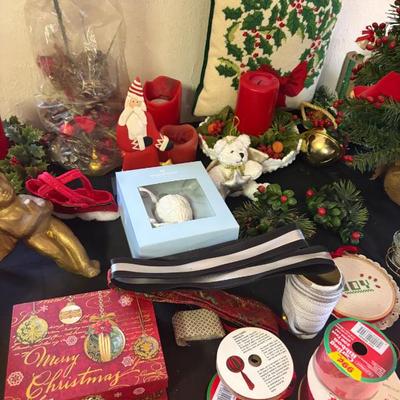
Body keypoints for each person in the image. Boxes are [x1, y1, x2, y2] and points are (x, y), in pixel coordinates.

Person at [116, 77, 172, 170]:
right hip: (131, 151)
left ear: (141, 103)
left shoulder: (146, 117)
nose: (134, 104)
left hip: (149, 149)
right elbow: (122, 141)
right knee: (131, 164)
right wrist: (140, 143)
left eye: (137, 102)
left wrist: (162, 143)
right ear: (128, 101)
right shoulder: (123, 120)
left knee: (152, 157)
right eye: (133, 101)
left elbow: (153, 133)